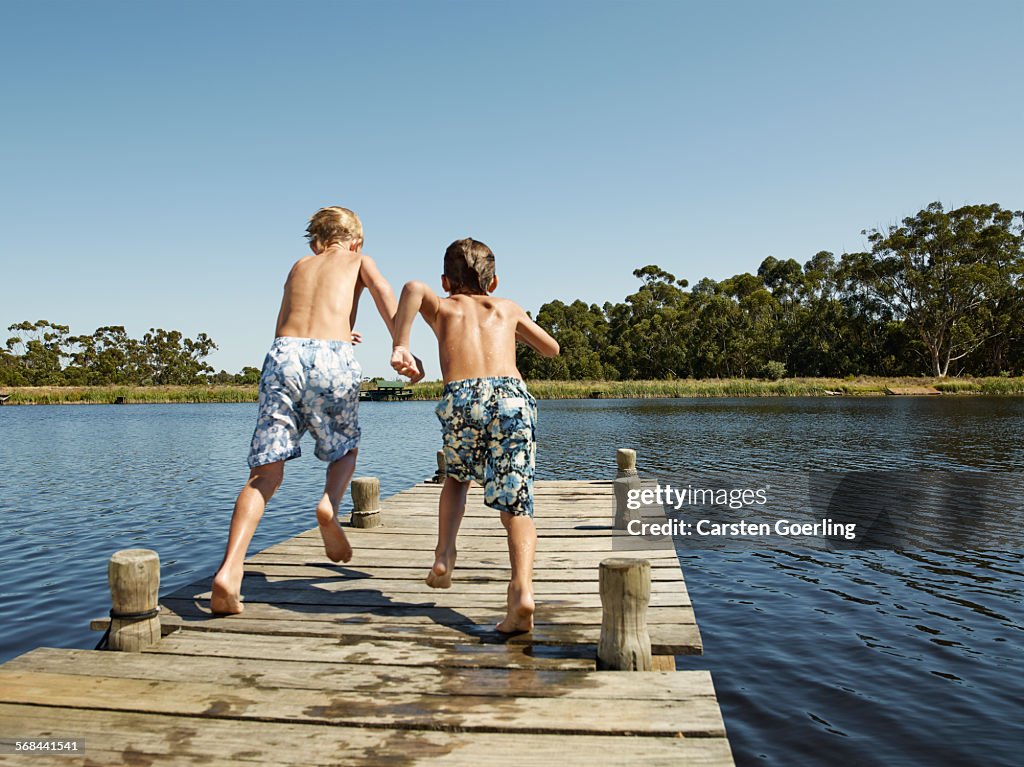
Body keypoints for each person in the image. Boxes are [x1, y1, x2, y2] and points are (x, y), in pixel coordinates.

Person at [211, 206, 401, 615]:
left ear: (316, 242)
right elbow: (387, 297)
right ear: (356, 241)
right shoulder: (360, 260)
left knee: (264, 474)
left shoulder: (299, 265)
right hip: (333, 357)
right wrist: (399, 345)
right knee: (345, 448)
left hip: (283, 356)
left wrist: (325, 332)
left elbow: (284, 325)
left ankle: (230, 570)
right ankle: (328, 505)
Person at [390, 237, 559, 633]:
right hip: (512, 399)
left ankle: (444, 556)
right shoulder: (507, 307)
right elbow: (551, 349)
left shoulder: (444, 307)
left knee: (455, 478)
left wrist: (402, 344)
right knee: (517, 503)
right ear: (494, 282)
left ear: (445, 281)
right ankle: (521, 593)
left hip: (463, 398)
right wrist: (514, 329)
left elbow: (413, 288)